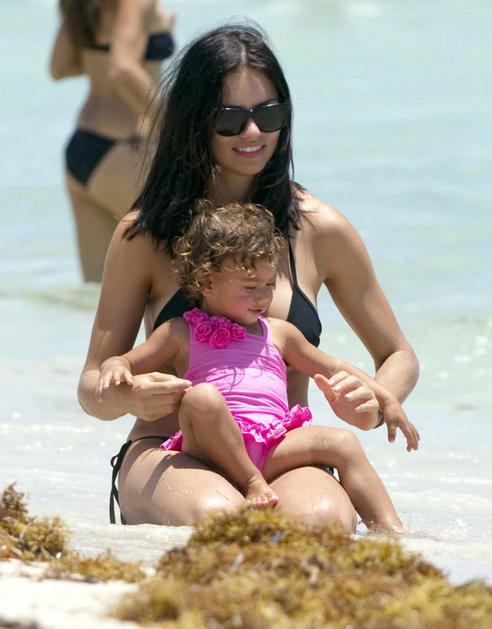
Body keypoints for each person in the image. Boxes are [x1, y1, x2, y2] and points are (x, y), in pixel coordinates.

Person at [78, 24, 420, 530]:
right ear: (194, 121)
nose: (254, 132)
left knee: (324, 523)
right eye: (230, 119)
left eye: (269, 114)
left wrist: (374, 396)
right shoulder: (146, 234)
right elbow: (93, 384)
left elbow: (398, 355)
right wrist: (126, 396)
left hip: (283, 451)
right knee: (220, 520)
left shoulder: (320, 229)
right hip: (170, 449)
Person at [96, 203, 419, 531]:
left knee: (343, 441)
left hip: (273, 442)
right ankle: (252, 483)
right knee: (200, 398)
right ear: (206, 282)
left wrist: (385, 398)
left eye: (269, 285)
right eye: (250, 287)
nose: (263, 297)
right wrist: (117, 368)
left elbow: (335, 367)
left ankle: (391, 530)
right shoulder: (180, 332)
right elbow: (125, 361)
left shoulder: (280, 333)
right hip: (212, 446)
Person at [49, 0, 176, 281]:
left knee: (100, 290)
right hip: (125, 146)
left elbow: (59, 67)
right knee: (185, 262)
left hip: (84, 149)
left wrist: (102, 54)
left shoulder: (84, 4)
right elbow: (122, 68)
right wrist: (176, 128)